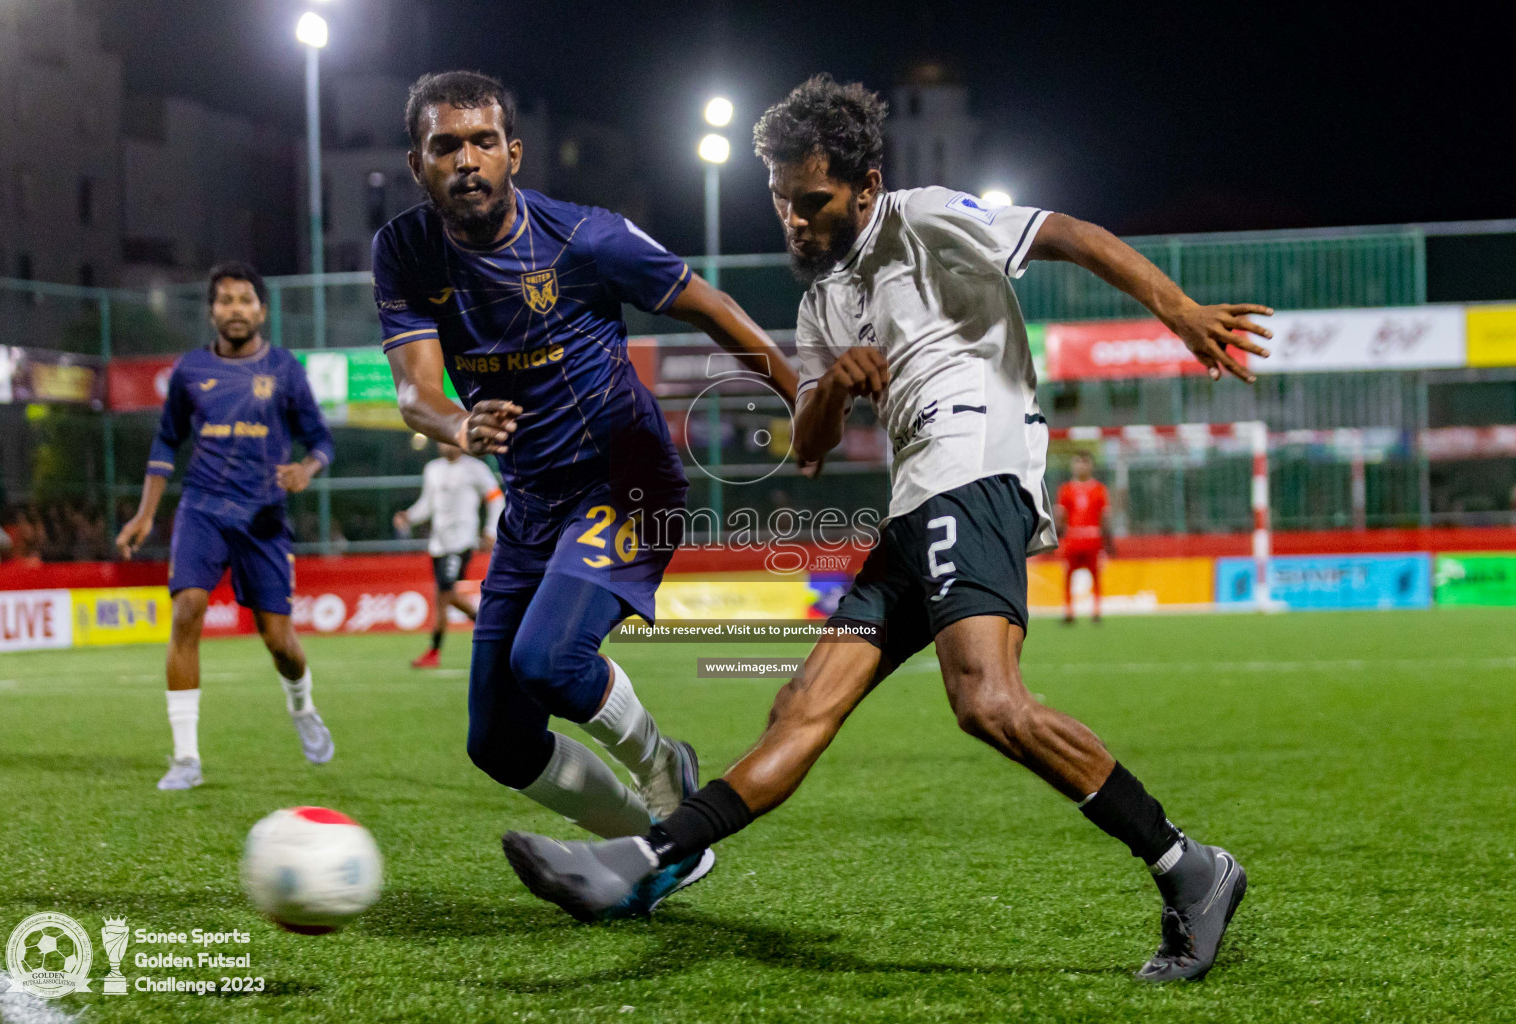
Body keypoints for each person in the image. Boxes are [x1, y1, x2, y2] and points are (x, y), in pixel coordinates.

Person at [500, 75, 1273, 982]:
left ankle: (1190, 868)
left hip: (976, 478)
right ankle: (645, 859)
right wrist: (829, 385)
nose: (792, 218)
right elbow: (816, 448)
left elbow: (1067, 232)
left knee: (986, 700)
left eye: (812, 200)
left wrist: (1178, 311)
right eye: (782, 199)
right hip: (915, 510)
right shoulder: (824, 300)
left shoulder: (926, 219)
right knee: (802, 707)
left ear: (866, 186)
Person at [376, 71, 803, 914]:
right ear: (418, 165)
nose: (467, 160)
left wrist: (802, 397)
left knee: (550, 661)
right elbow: (413, 389)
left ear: (513, 153)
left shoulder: (584, 238)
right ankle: (653, 858)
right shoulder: (406, 250)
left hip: (626, 479)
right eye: (446, 146)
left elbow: (710, 307)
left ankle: (661, 769)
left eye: (483, 142)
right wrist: (457, 425)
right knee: (498, 741)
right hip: (534, 506)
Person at [116, 263, 336, 791]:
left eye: (245, 300)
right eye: (225, 300)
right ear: (212, 310)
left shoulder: (284, 369)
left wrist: (305, 470)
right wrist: (146, 513)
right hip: (203, 508)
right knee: (187, 608)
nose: (235, 309)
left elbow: (321, 440)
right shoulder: (190, 370)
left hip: (263, 516)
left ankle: (302, 707)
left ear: (261, 309)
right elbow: (167, 441)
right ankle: (186, 757)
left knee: (279, 641)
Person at [394, 441, 506, 668]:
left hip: (461, 542)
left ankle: (435, 650)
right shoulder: (433, 468)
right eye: (442, 442)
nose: (446, 446)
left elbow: (496, 498)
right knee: (444, 595)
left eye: (451, 441)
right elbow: (427, 504)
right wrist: (409, 516)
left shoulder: (475, 468)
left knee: (445, 593)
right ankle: (488, 624)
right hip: (438, 544)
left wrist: (490, 530)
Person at [1055, 452, 1114, 624]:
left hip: (1093, 538)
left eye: (1085, 463)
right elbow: (1061, 515)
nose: (1081, 466)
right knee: (1068, 575)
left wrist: (1108, 541)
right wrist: (1058, 537)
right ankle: (1068, 611)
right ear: (1073, 466)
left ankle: (1096, 610)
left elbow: (1104, 516)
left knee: (1096, 575)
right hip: (1073, 538)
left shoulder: (1099, 489)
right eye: (1078, 463)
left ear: (1091, 466)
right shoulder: (1065, 489)